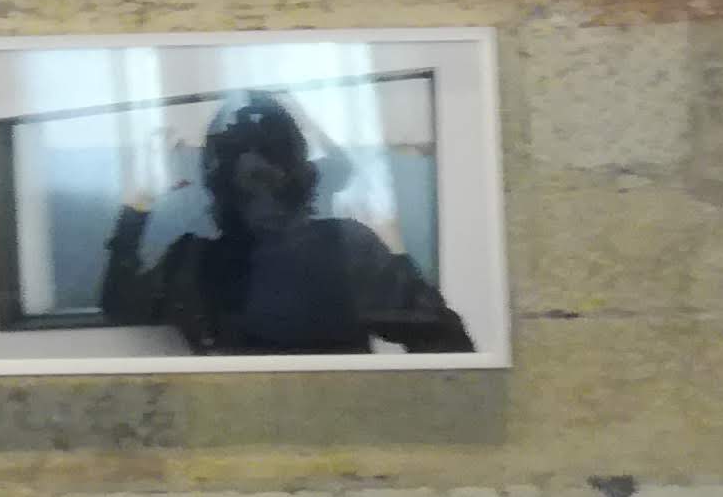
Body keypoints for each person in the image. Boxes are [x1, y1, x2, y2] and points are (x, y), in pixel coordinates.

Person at [98, 91, 472, 355]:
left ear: (215, 183)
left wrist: (137, 203)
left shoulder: (195, 260)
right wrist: (396, 251)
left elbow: (119, 303)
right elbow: (450, 346)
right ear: (299, 171)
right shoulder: (348, 248)